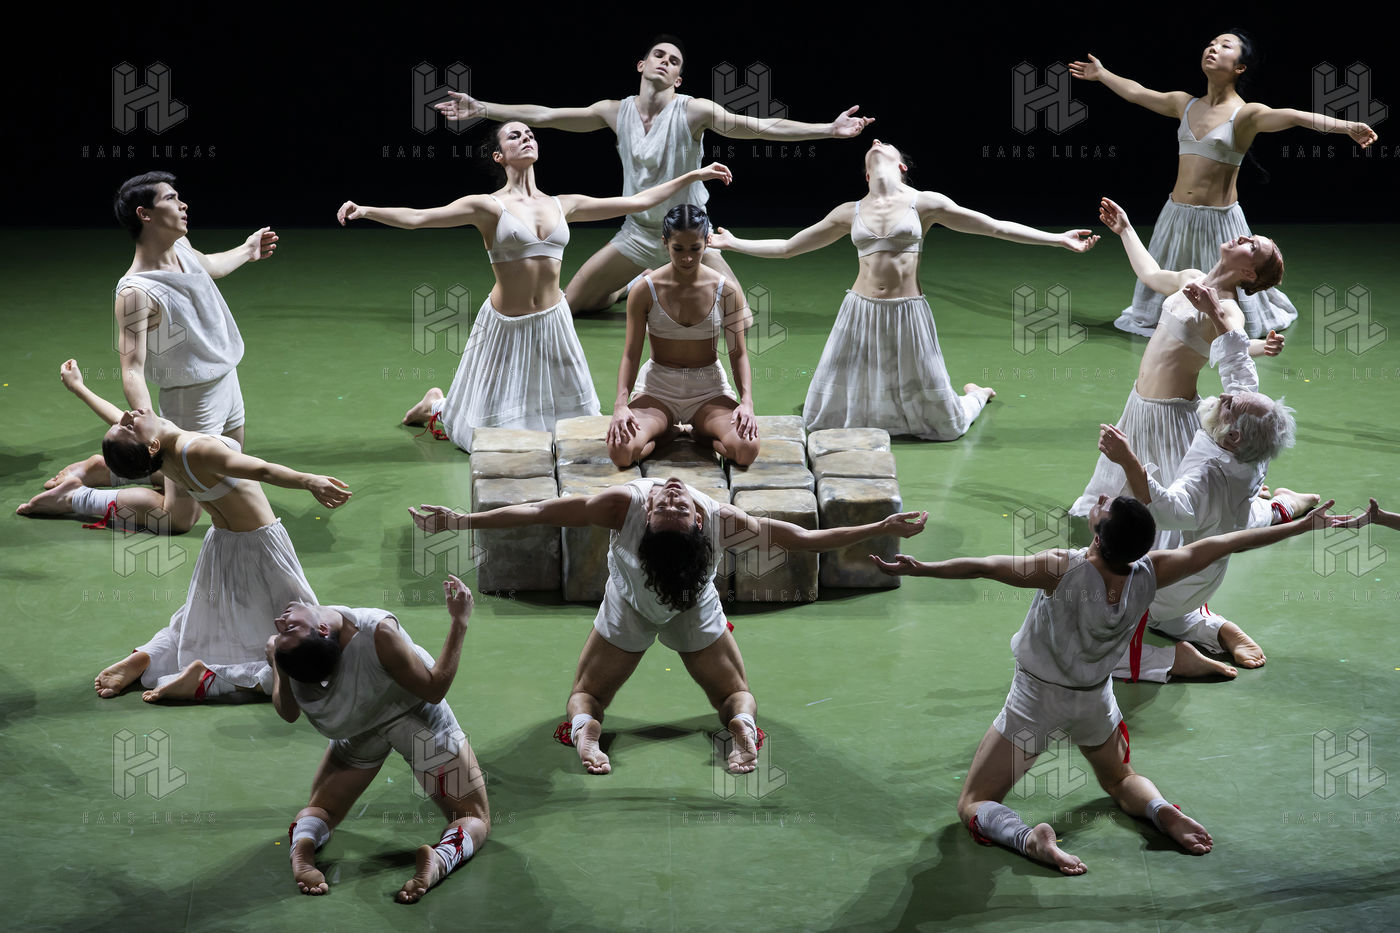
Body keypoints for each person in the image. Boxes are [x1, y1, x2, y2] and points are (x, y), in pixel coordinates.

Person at [873, 495, 1339, 874]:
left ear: (1098, 533)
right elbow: (1228, 543)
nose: (1099, 502)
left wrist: (921, 569)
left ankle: (1027, 839)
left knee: (974, 801)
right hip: (1096, 704)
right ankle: (1162, 811)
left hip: (1036, 702)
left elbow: (985, 566)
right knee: (1120, 779)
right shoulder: (1153, 571)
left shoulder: (1061, 568)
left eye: (1103, 507)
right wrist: (1301, 526)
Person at [410, 478, 926, 775]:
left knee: (587, 696)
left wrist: (461, 521)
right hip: (688, 608)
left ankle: (588, 734)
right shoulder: (721, 520)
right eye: (669, 504)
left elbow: (542, 511)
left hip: (639, 606)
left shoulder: (623, 506)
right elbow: (802, 539)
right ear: (697, 524)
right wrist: (880, 526)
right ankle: (741, 729)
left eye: (669, 505)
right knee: (735, 695)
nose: (673, 494)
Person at [337, 122, 731, 451]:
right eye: (514, 136)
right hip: (505, 323)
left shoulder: (564, 204)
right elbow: (419, 218)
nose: (525, 138)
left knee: (573, 429)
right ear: (499, 156)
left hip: (553, 320)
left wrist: (693, 176)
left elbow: (638, 202)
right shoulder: (487, 206)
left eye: (529, 134)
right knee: (484, 434)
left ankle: (439, 404)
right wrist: (366, 210)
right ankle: (436, 405)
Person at [433, 35, 873, 312]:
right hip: (638, 234)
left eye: (674, 61)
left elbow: (760, 127)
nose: (665, 61)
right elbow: (546, 114)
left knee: (739, 315)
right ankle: (635, 282)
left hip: (690, 233)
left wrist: (828, 129)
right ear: (641, 66)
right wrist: (482, 108)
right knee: (574, 305)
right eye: (658, 55)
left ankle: (663, 275)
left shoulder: (695, 110)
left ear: (679, 79)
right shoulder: (613, 111)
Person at [707, 139, 1097, 439]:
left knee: (946, 426)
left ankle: (976, 395)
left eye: (885, 144)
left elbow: (994, 226)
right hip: (859, 311)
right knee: (819, 420)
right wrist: (734, 243)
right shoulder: (849, 211)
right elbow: (789, 247)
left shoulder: (925, 203)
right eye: (871, 147)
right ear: (866, 175)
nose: (876, 142)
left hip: (908, 310)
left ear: (901, 166)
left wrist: (1057, 239)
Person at [59, 360, 353, 703]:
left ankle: (149, 656)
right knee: (305, 646)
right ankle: (212, 679)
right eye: (127, 426)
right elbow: (262, 470)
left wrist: (79, 388)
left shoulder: (158, 452)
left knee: (200, 621)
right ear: (150, 446)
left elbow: (114, 417)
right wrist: (309, 481)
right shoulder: (195, 449)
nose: (126, 416)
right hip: (262, 546)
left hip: (221, 545)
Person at [1070, 32, 1378, 336]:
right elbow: (1138, 92)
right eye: (1211, 44)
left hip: (1218, 220)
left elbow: (1294, 116)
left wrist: (1347, 127)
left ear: (1239, 67)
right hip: (1176, 215)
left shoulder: (1246, 115)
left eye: (1225, 46)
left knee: (1225, 299)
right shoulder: (1183, 103)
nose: (1213, 48)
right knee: (1166, 292)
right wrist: (1102, 74)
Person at [28, 173, 278, 526]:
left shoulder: (181, 248)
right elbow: (131, 366)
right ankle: (74, 497)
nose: (183, 204)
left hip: (227, 380)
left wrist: (247, 251)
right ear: (145, 214)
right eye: (171, 199)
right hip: (190, 402)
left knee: (223, 475)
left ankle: (102, 470)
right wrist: (148, 424)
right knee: (178, 518)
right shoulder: (135, 293)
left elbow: (210, 266)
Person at [269, 575, 488, 904]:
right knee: (472, 817)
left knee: (322, 809)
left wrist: (277, 662)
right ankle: (440, 860)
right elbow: (434, 689)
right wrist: (460, 621)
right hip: (418, 725)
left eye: (285, 628)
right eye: (287, 628)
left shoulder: (295, 658)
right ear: (323, 630)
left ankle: (303, 847)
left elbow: (287, 712)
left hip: (356, 727)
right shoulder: (377, 632)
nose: (280, 621)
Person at [1069, 197, 1283, 520]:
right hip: (1138, 404)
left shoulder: (1228, 309)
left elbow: (1233, 343)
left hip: (1170, 417)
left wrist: (1253, 341)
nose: (1242, 237)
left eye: (1251, 246)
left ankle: (1279, 506)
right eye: (1249, 237)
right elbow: (1151, 274)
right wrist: (1125, 229)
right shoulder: (1192, 277)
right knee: (1121, 502)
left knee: (1183, 512)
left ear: (1249, 272)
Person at [1096, 367, 1317, 679]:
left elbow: (1169, 509)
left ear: (1233, 436)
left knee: (1114, 621)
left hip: (1178, 579)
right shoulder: (1257, 447)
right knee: (1254, 515)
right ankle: (1288, 504)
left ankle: (1176, 659)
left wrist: (1127, 459)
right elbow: (1242, 390)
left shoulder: (1208, 475)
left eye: (1230, 405)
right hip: (1222, 540)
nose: (1224, 396)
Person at [608, 205, 757, 467]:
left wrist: (747, 403)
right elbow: (631, 353)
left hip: (708, 388)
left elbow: (739, 353)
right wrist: (620, 405)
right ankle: (669, 432)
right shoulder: (645, 290)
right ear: (665, 242)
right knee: (620, 451)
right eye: (678, 249)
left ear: (707, 242)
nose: (687, 258)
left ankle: (700, 435)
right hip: (658, 388)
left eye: (695, 249)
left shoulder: (726, 290)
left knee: (746, 449)